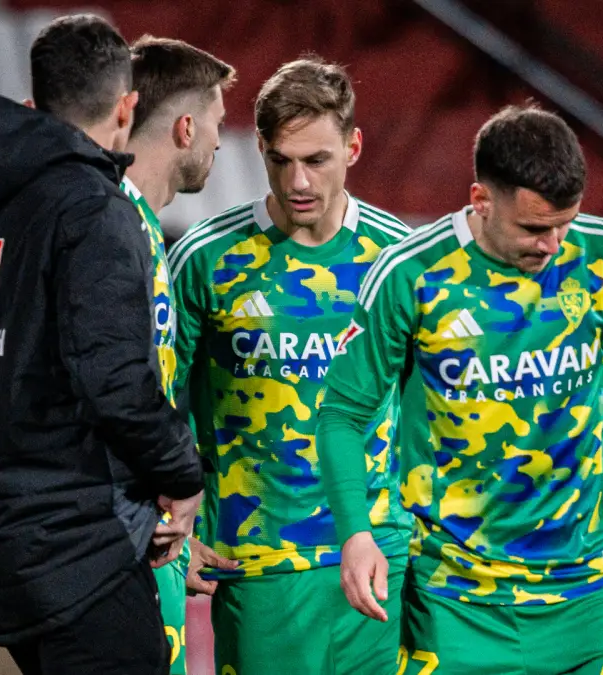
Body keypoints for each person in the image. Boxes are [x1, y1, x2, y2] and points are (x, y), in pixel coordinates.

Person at [317, 103, 603, 675]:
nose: (552, 244)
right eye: (534, 228)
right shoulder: (410, 274)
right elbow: (341, 414)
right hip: (452, 601)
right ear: (481, 200)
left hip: (586, 590)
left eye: (564, 223)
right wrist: (356, 534)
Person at [0, 14, 203, 675]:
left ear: (35, 104)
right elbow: (114, 381)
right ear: (127, 108)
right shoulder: (94, 210)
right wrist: (181, 474)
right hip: (81, 551)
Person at [167, 56, 415, 675]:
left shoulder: (399, 258)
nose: (298, 181)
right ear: (259, 149)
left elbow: (435, 405)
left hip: (383, 553)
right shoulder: (206, 259)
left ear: (353, 147)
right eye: (281, 160)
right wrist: (171, 525)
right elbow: (155, 400)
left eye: (317, 160)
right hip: (258, 566)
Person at [121, 35, 240, 675]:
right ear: (186, 128)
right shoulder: (112, 229)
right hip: (117, 558)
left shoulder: (144, 227)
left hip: (145, 543)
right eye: (217, 121)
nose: (221, 141)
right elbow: (110, 390)